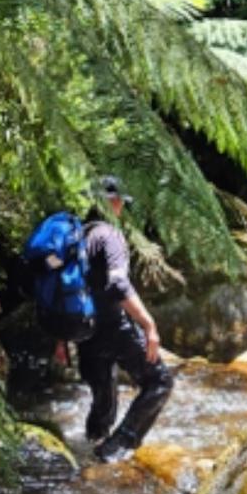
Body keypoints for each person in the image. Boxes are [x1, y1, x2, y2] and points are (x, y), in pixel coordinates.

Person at [78, 176, 173, 463]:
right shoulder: (109, 235)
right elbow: (118, 284)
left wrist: (62, 338)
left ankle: (93, 444)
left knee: (104, 390)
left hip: (84, 330)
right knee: (160, 382)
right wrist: (149, 325)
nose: (121, 207)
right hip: (112, 325)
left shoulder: (79, 234)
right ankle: (116, 448)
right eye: (119, 201)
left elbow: (69, 287)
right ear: (111, 202)